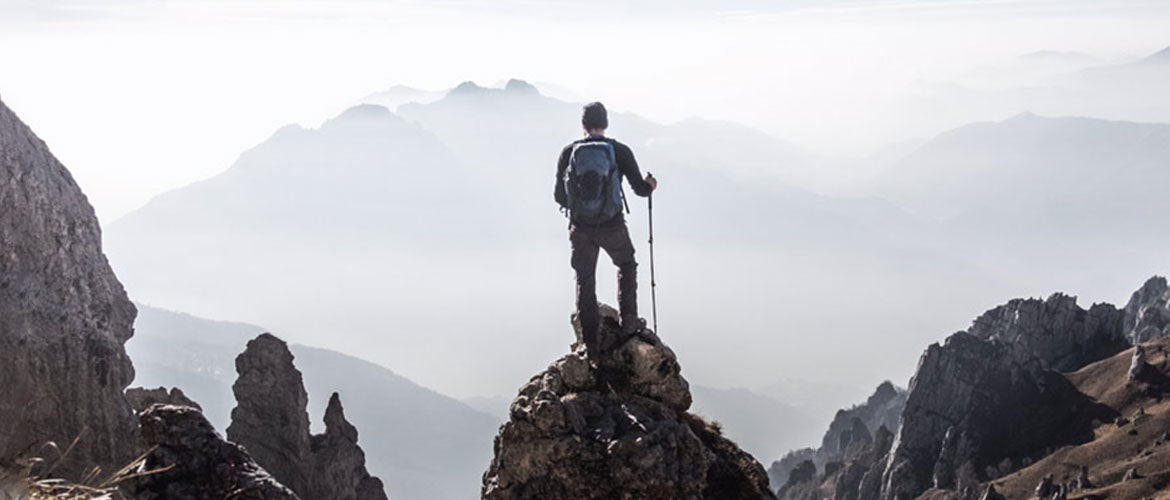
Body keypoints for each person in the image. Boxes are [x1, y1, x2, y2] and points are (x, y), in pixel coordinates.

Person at [554, 102, 658, 359]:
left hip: (581, 229)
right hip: (612, 225)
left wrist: (580, 208)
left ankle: (590, 347)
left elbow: (558, 196)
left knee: (585, 280)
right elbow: (640, 190)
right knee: (626, 265)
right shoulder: (619, 151)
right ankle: (629, 323)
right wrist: (650, 185)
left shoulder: (569, 153)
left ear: (583, 125)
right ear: (606, 124)